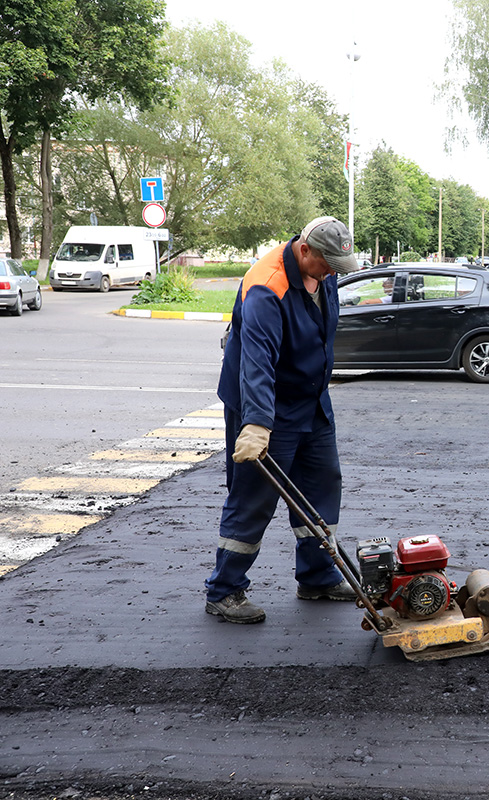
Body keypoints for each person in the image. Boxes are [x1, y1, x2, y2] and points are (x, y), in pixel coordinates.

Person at [205, 216, 359, 624]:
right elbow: (256, 362)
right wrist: (256, 424)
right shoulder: (265, 285)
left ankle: (317, 577)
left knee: (323, 485)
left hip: (311, 400)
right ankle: (224, 591)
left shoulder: (323, 272)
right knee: (254, 497)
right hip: (266, 405)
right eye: (327, 263)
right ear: (304, 249)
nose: (331, 273)